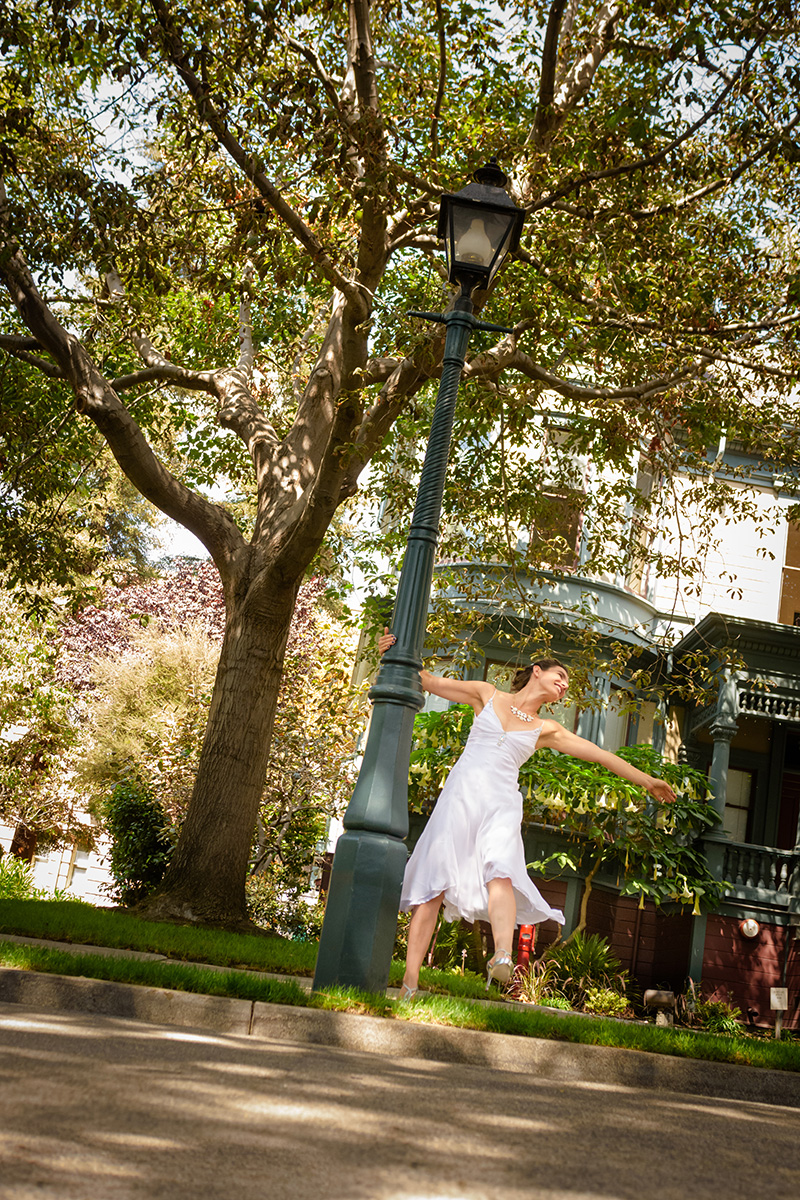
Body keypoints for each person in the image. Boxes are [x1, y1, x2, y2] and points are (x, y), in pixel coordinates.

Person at [377, 629, 677, 999]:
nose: (565, 685)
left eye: (567, 683)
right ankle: (409, 983)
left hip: (501, 802)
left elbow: (600, 755)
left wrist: (647, 780)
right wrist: (393, 650)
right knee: (432, 888)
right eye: (561, 677)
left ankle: (502, 955)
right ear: (537, 671)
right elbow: (428, 681)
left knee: (500, 870)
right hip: (460, 797)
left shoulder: (546, 729)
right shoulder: (486, 694)